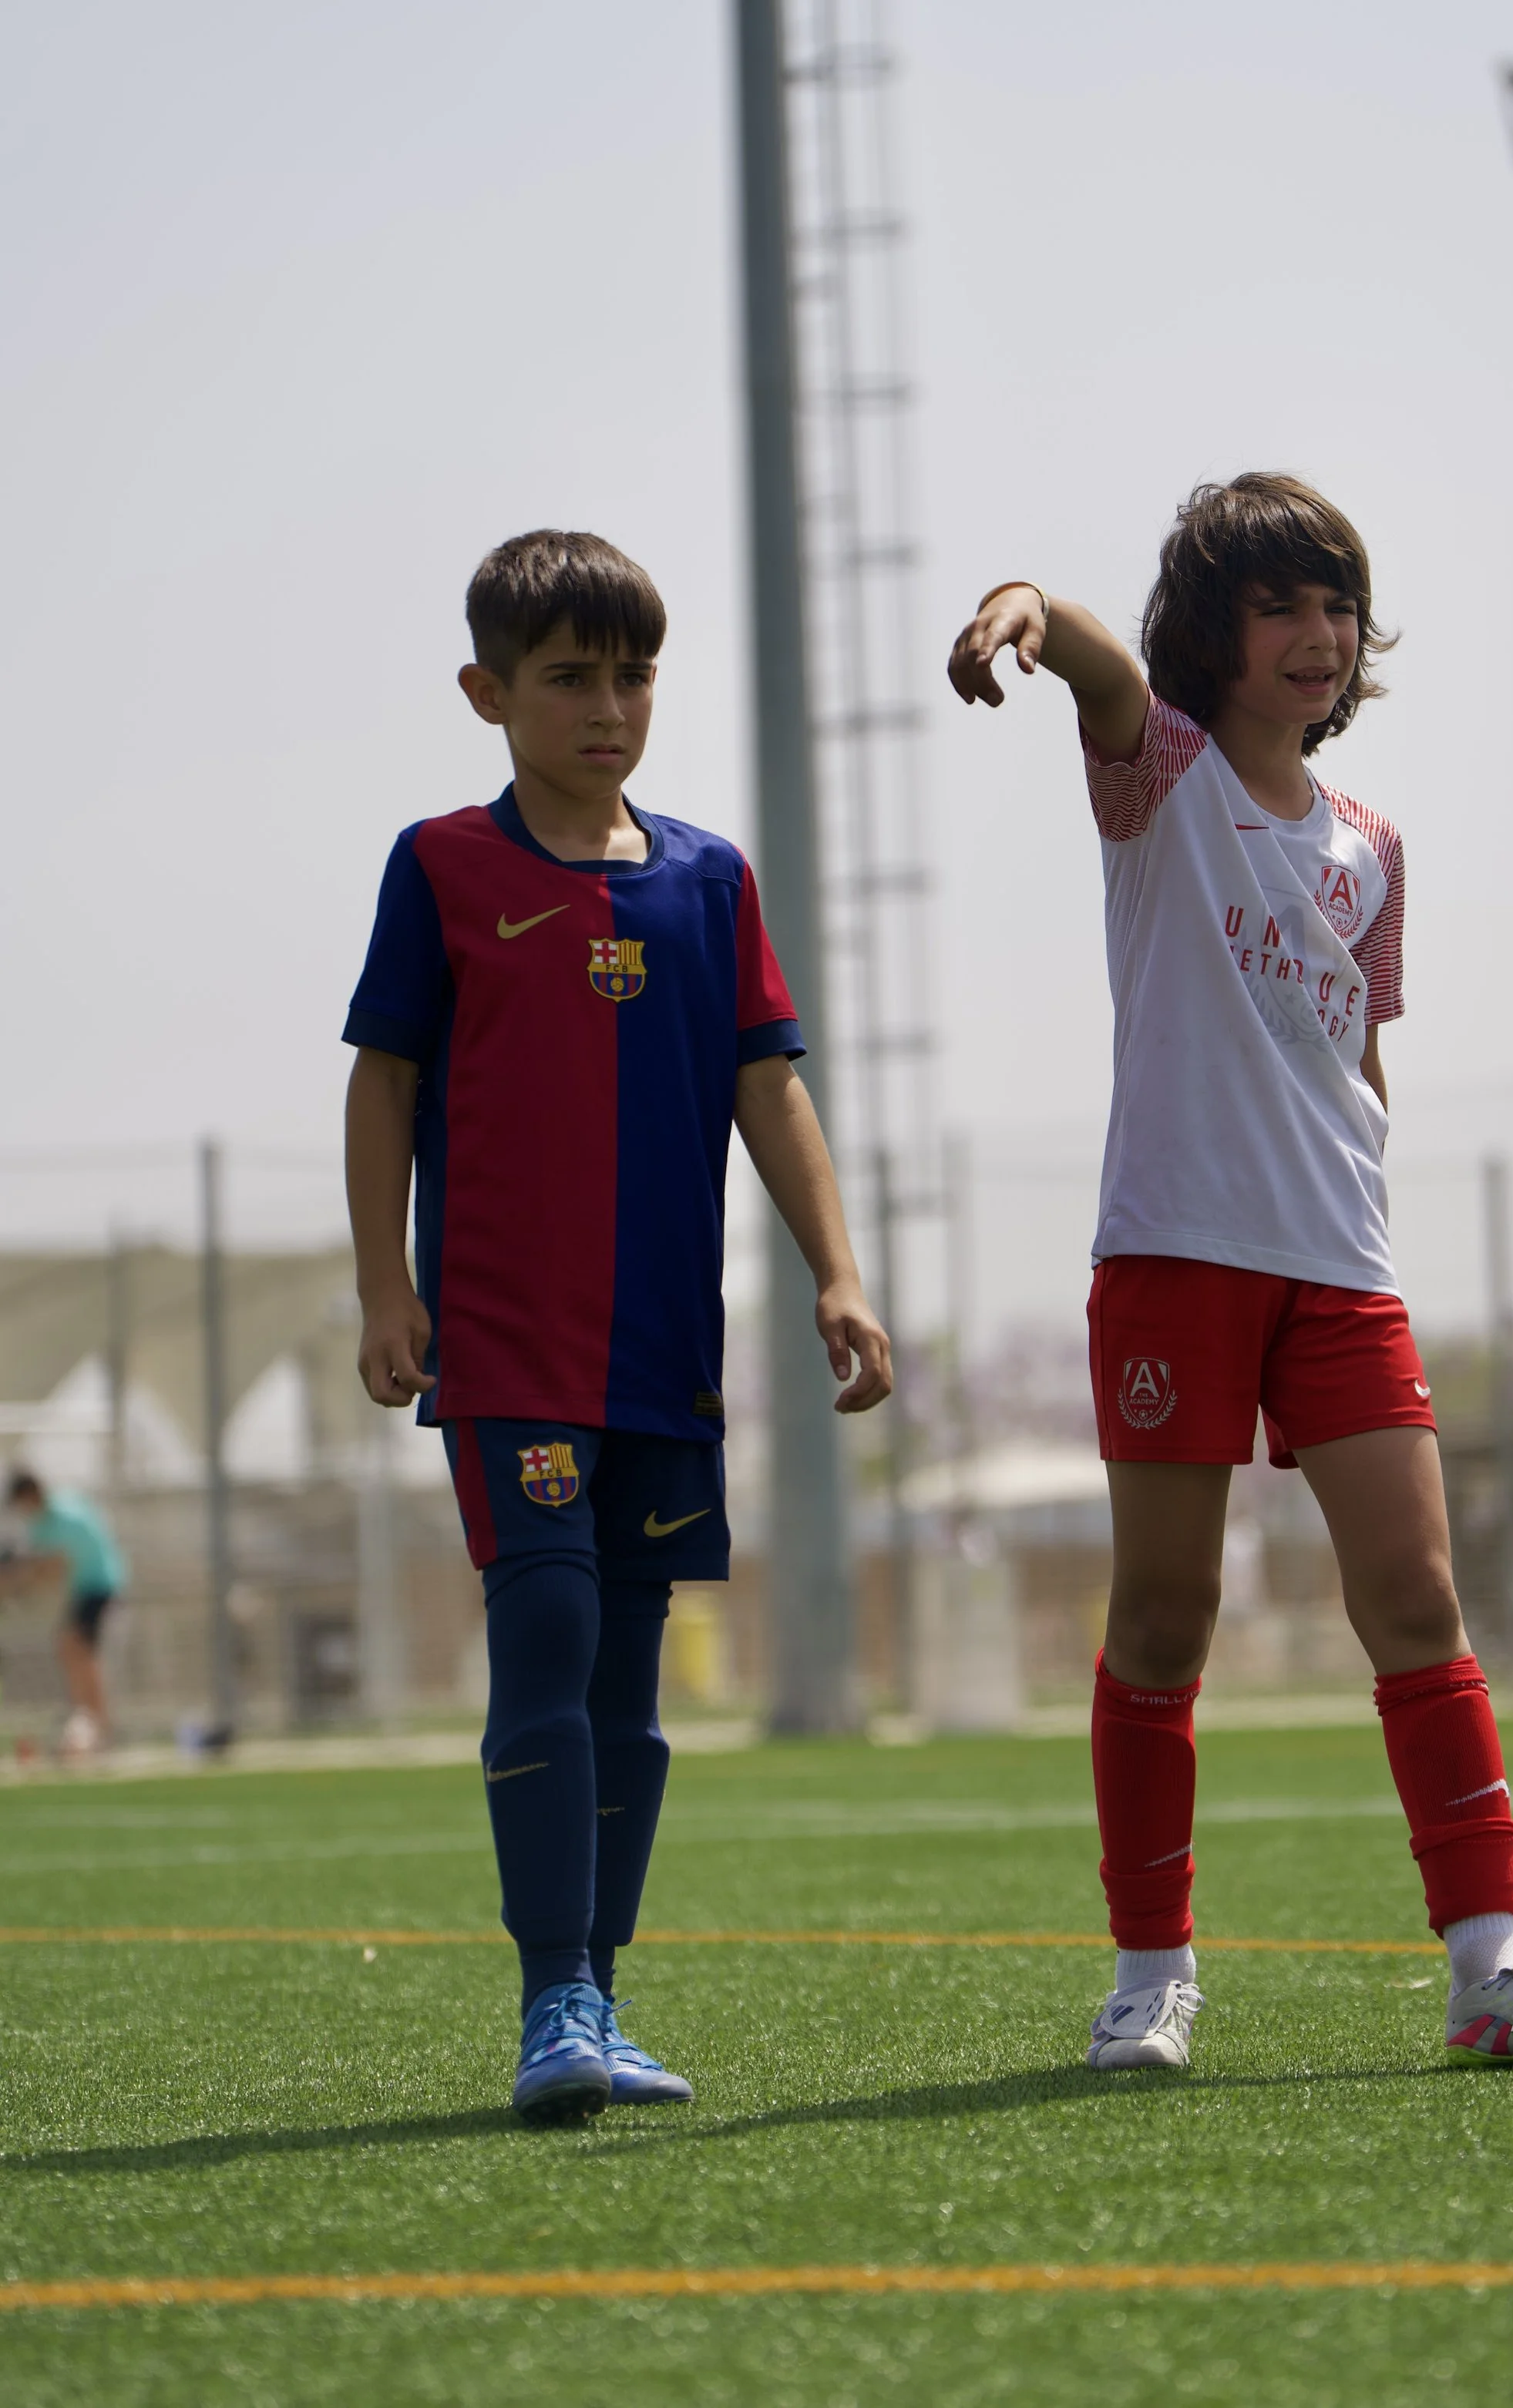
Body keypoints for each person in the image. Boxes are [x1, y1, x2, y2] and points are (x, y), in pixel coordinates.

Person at [946, 475, 1513, 2073]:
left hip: (1339, 1266)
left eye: (1335, 604)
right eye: (1280, 607)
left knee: (1414, 1596)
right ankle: (1149, 1972)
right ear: (1215, 634)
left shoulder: (1373, 845)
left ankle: (1490, 1966)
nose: (1317, 635)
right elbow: (1109, 679)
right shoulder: (1162, 779)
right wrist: (1026, 613)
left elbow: (1356, 1048)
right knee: (1166, 1615)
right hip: (1176, 1254)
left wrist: (1366, 1188)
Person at [344, 529, 891, 2123]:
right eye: (568, 675)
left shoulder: (710, 878)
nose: (606, 704)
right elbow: (382, 1077)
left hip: (662, 1349)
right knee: (552, 1628)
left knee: (631, 1693)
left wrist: (834, 1272)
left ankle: (601, 1983)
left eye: (631, 672)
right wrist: (390, 1283)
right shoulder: (443, 863)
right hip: (508, 1343)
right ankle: (551, 1996)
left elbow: (767, 1084)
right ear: (487, 692)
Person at [0, 1468, 126, 1756]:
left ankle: (97, 1723)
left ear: (30, 1494)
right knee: (71, 1648)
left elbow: (49, 1567)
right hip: (85, 1589)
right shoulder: (43, 1523)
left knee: (78, 1649)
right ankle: (89, 1719)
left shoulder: (65, 1515)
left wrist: (13, 1585)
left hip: (101, 1586)